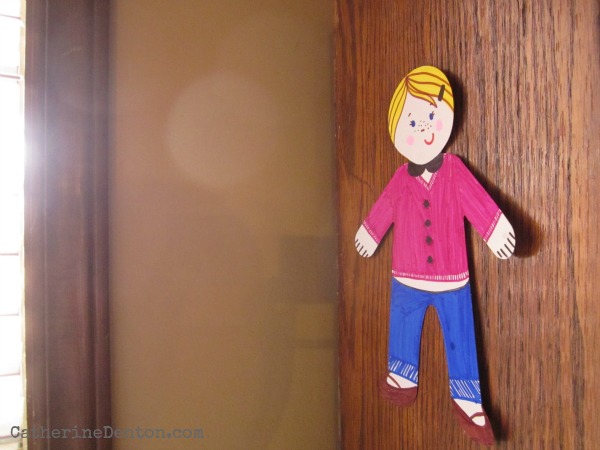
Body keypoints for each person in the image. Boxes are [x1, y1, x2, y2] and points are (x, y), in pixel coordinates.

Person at [354, 66, 515, 446]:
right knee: (403, 323)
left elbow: (476, 201)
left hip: (452, 277)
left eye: (430, 115)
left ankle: (467, 397)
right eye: (413, 121)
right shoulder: (400, 178)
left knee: (459, 335)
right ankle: (401, 375)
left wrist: (494, 229)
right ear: (397, 128)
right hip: (406, 275)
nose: (424, 127)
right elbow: (384, 207)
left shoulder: (454, 170)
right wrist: (370, 232)